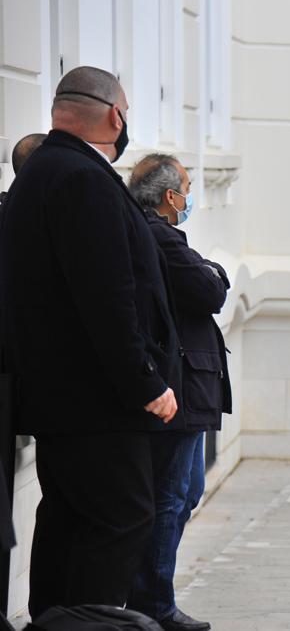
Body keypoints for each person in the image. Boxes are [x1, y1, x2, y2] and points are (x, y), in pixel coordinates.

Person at [0, 66, 181, 618]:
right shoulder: (80, 178)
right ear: (113, 114)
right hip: (97, 400)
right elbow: (106, 297)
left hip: (64, 398)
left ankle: (54, 621)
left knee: (70, 521)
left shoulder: (46, 169)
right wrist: (145, 382)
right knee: (119, 521)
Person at [126, 154, 232, 631]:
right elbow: (210, 288)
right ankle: (153, 603)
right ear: (171, 197)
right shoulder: (161, 237)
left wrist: (211, 271)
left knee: (185, 491)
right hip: (180, 384)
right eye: (187, 188)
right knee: (172, 495)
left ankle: (151, 597)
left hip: (190, 382)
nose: (190, 197)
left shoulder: (158, 234)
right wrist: (213, 271)